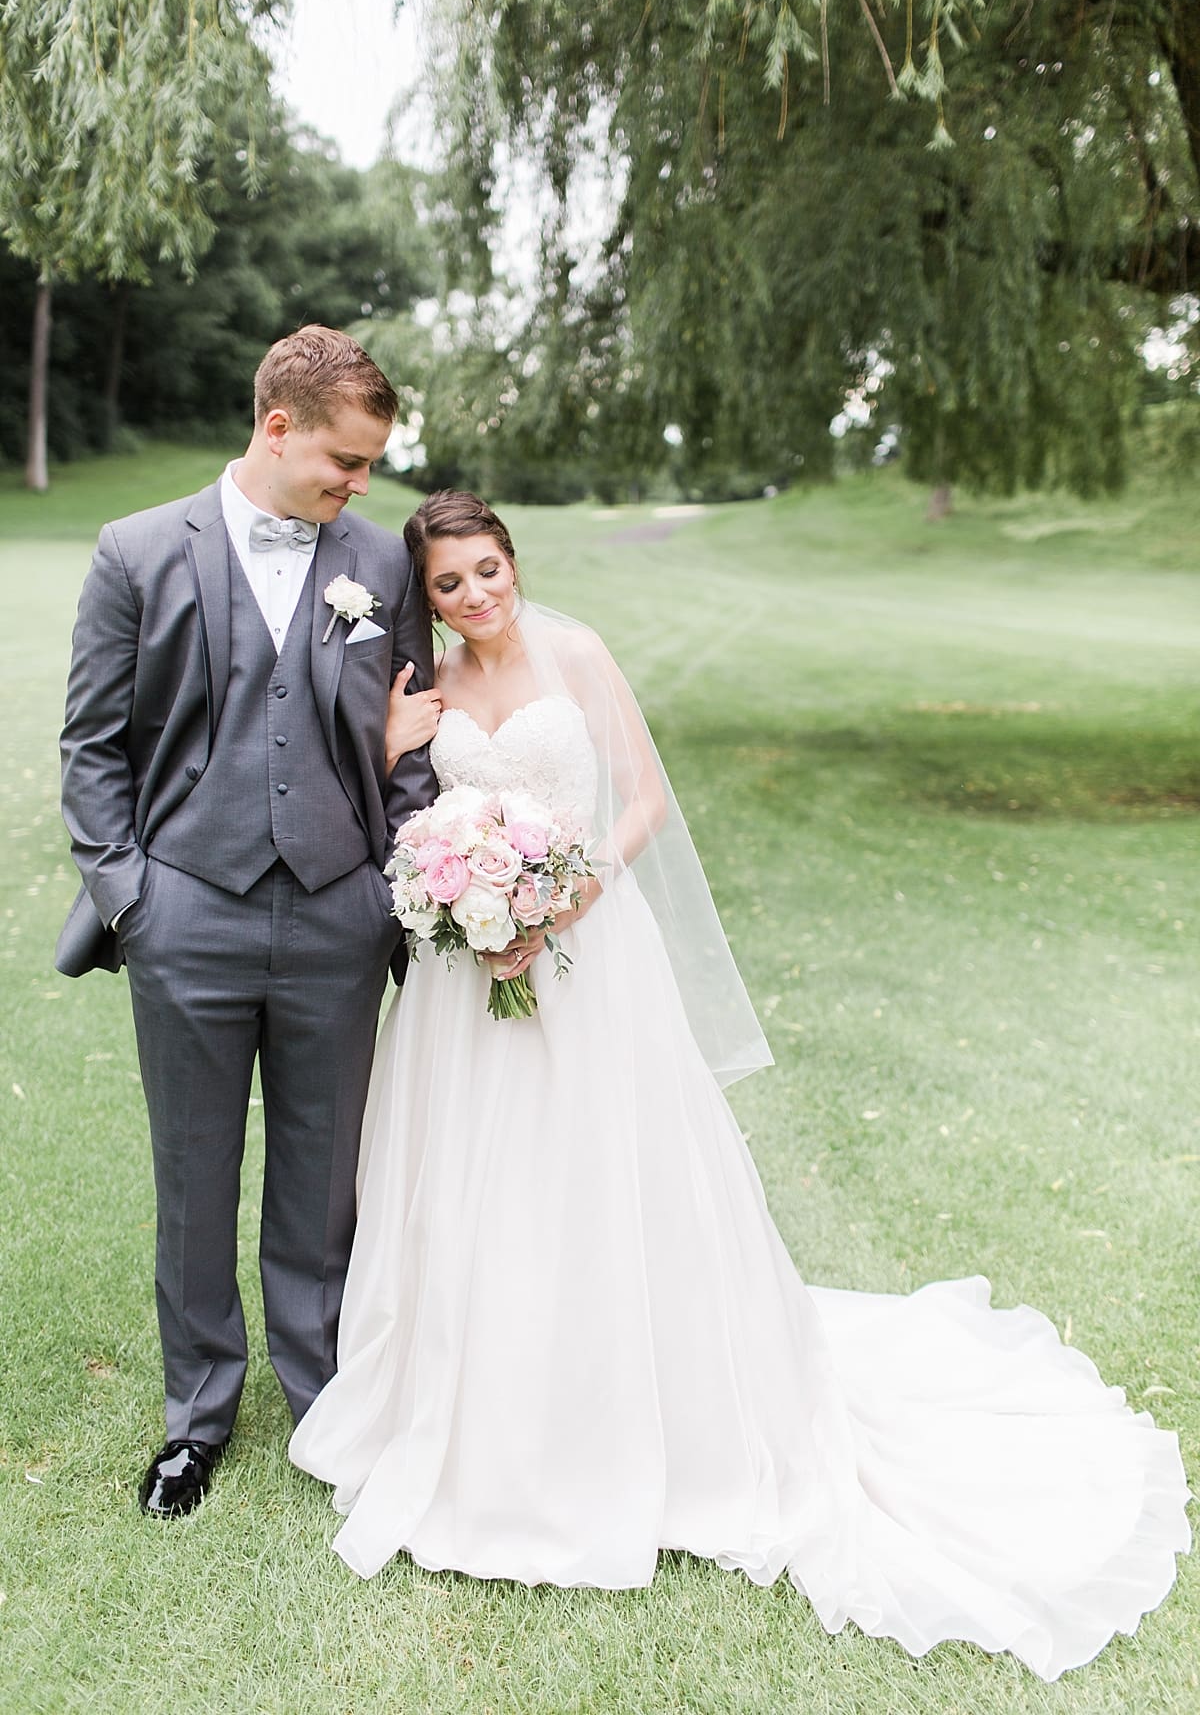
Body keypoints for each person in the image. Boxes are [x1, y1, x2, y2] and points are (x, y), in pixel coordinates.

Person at [289, 491, 1190, 1681]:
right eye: (450, 583)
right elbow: (382, 802)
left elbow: (645, 801)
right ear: (431, 595)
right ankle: (480, 1416)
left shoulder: (578, 652)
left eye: (488, 569)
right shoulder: (429, 683)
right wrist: (438, 835)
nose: (475, 596)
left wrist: (563, 898)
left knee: (603, 1170)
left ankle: (641, 1414)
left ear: (513, 561)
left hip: (586, 954)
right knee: (476, 1181)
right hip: (467, 974)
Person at [57, 326, 440, 1518]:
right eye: (345, 460)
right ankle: (195, 1421)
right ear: (277, 427)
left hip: (338, 915)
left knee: (324, 1181)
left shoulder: (378, 563)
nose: (360, 484)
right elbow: (93, 748)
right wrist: (134, 903)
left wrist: (388, 889)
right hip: (186, 915)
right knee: (193, 1172)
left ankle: (325, 1401)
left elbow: (413, 740)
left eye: (370, 464)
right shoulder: (135, 552)